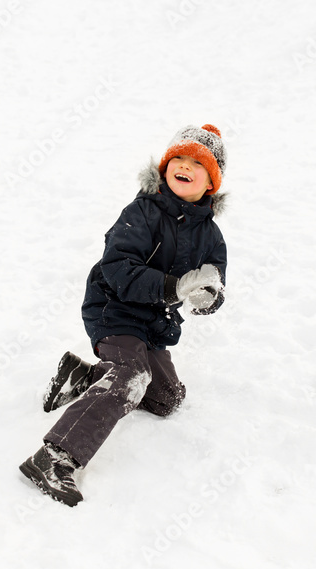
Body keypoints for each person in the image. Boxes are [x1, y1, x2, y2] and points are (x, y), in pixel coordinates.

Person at [19, 124, 230, 506]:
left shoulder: (211, 237)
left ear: (211, 182)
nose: (184, 166)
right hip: (113, 308)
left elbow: (216, 284)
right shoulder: (143, 212)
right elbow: (117, 267)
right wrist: (172, 287)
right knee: (132, 377)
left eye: (196, 163)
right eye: (177, 159)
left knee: (167, 398)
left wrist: (207, 298)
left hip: (153, 324)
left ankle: (83, 377)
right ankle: (54, 457)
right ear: (165, 167)